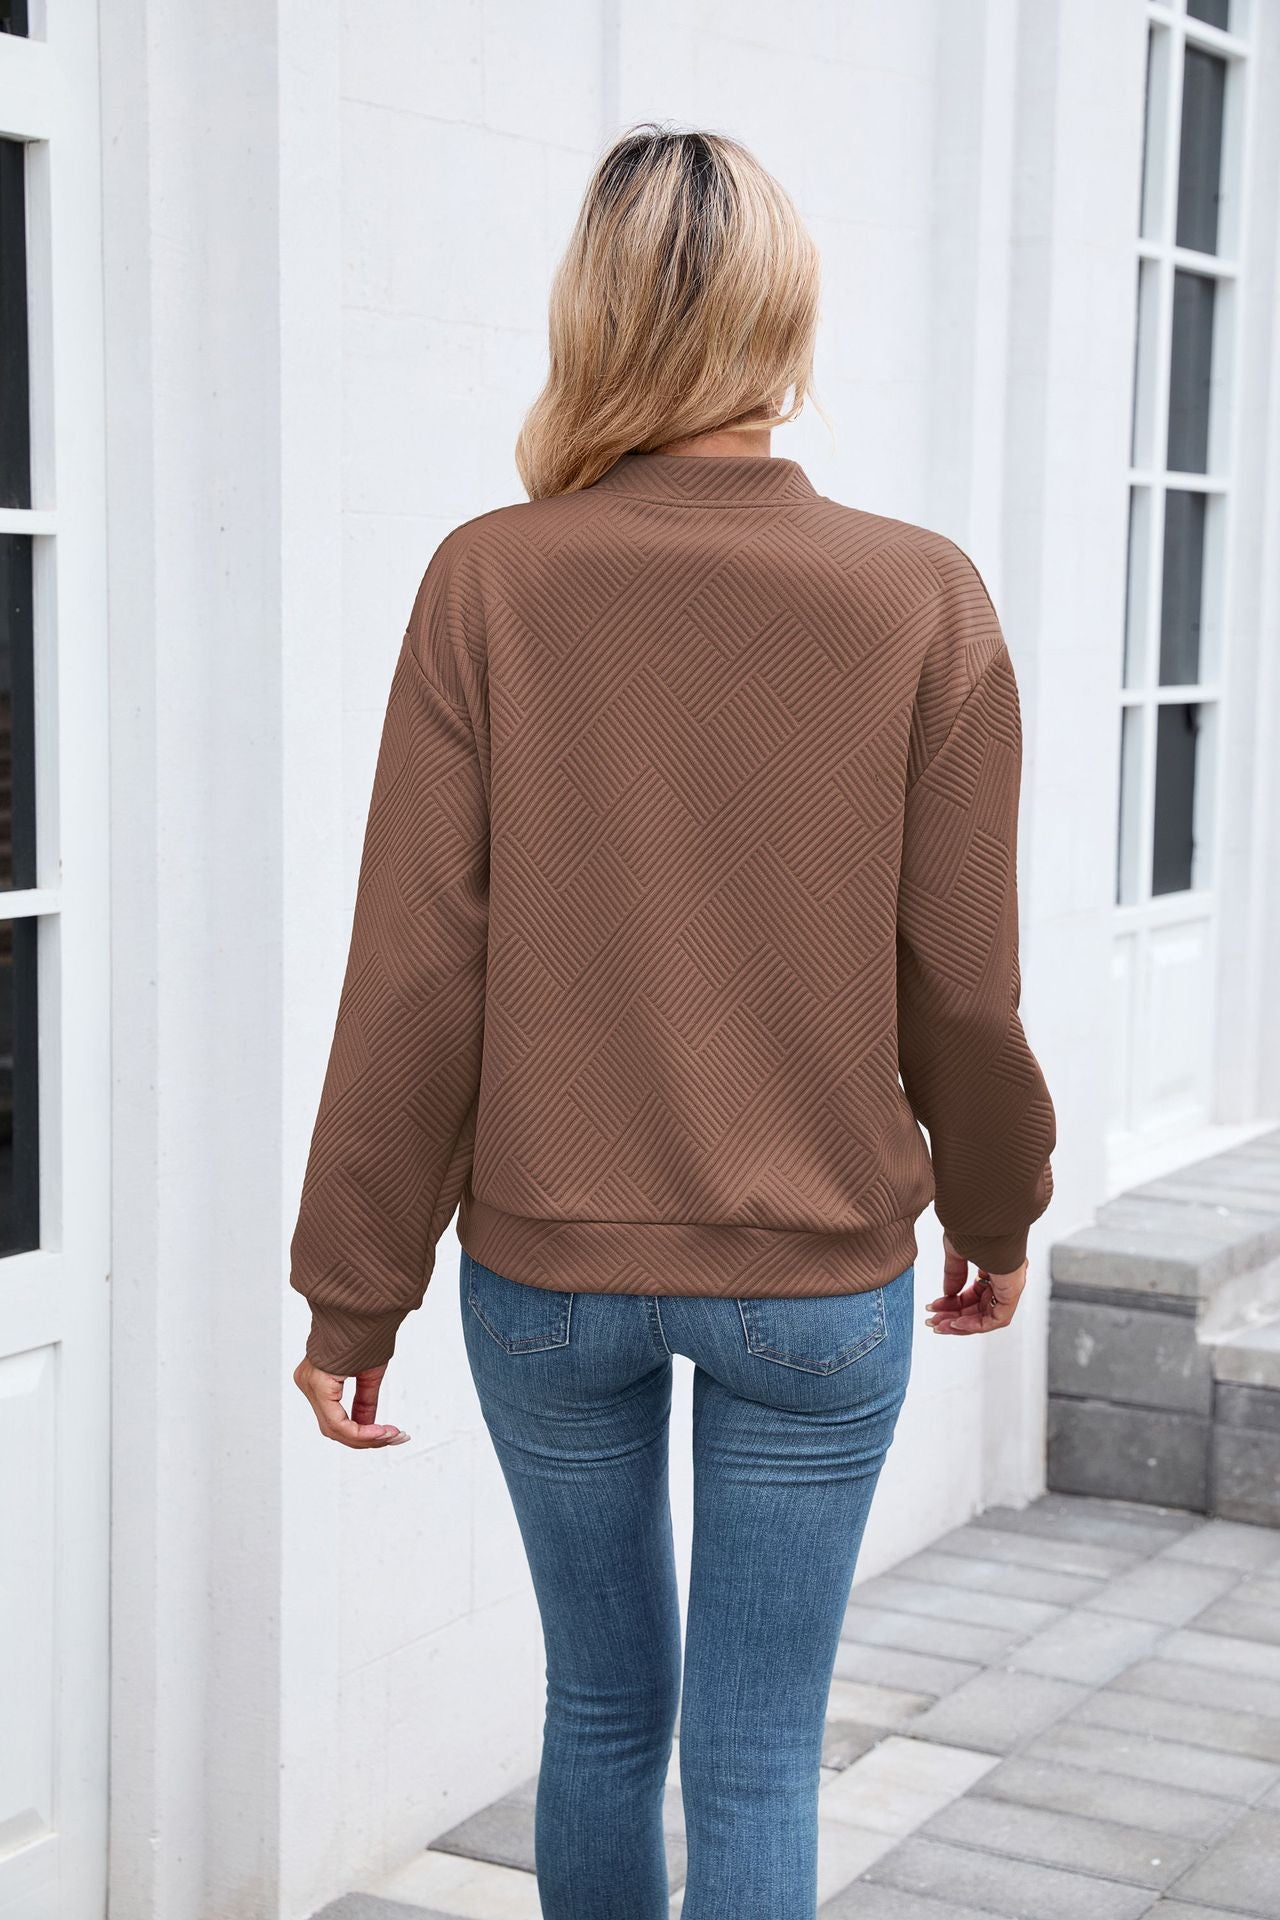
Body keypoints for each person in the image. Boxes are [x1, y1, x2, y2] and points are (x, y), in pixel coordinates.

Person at [289, 122, 1055, 1920]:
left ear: (596, 314)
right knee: (759, 1760)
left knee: (601, 1713)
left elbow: (417, 968)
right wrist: (996, 1207)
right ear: (785, 313)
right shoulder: (918, 592)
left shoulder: (491, 577)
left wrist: (354, 1289)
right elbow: (961, 979)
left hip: (549, 1277)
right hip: (817, 1282)